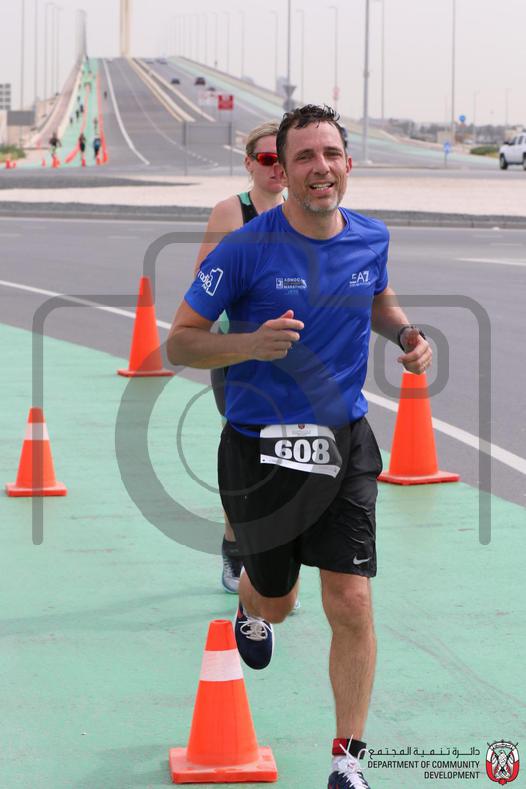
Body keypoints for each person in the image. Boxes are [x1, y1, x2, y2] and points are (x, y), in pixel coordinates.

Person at [167, 105, 432, 789]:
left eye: (331, 154)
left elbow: (377, 298)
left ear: (348, 163)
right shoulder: (244, 248)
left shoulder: (371, 237)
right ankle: (250, 603)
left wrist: (405, 334)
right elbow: (181, 341)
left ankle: (348, 761)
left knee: (351, 600)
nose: (321, 167)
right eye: (305, 156)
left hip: (343, 441)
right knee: (278, 602)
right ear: (282, 171)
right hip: (261, 448)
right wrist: (249, 344)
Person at [192, 120, 285, 594]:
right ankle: (235, 549)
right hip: (240, 354)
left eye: (282, 158)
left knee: (286, 456)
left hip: (290, 356)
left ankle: (276, 556)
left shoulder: (302, 210)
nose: (276, 168)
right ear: (249, 163)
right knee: (245, 456)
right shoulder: (232, 212)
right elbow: (203, 282)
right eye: (266, 159)